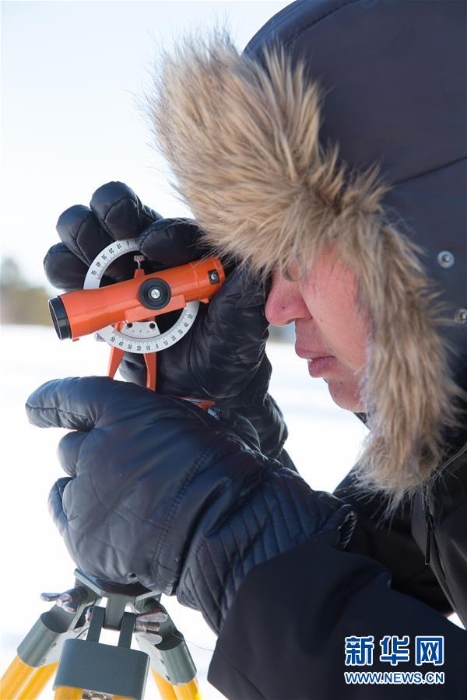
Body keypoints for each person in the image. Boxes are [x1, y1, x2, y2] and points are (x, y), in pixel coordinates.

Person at [27, 0, 467, 697]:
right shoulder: (445, 467)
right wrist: (230, 440)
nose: (275, 306)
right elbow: (391, 640)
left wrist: (224, 537)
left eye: (293, 252)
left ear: (428, 244)